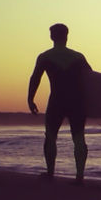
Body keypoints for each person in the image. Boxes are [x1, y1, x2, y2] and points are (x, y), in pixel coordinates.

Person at [27, 23, 92, 182]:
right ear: (67, 36)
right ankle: (80, 177)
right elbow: (91, 80)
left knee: (50, 136)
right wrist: (94, 103)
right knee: (78, 138)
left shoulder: (45, 57)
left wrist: (30, 99)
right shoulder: (78, 57)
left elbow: (35, 78)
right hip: (77, 101)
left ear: (51, 36)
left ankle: (50, 173)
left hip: (57, 100)